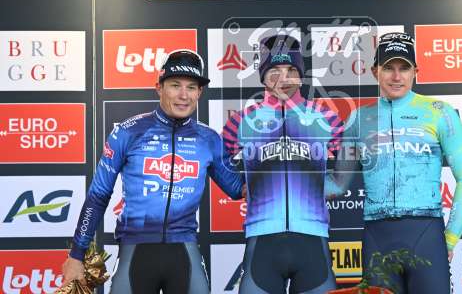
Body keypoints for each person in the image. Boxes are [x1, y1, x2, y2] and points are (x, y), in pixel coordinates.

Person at [61, 49, 244, 294]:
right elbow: (98, 196)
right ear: (159, 88)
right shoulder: (128, 132)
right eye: (175, 85)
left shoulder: (209, 139)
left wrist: (270, 159)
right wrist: (76, 255)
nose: (183, 95)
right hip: (135, 251)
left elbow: (237, 188)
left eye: (191, 87)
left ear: (199, 92)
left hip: (184, 251)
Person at [327, 32, 462, 294]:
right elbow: (337, 184)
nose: (396, 76)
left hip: (426, 235)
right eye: (389, 68)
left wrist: (450, 238)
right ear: (375, 71)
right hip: (377, 237)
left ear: (415, 72)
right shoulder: (358, 120)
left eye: (404, 68)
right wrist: (286, 182)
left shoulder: (439, 113)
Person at [222, 34, 342, 293]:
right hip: (262, 240)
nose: (283, 79)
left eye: (291, 70)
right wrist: (237, 187)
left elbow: (348, 164)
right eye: (274, 71)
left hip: (313, 239)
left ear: (300, 75)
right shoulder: (242, 121)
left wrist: (329, 187)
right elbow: (218, 159)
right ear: (263, 76)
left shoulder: (326, 118)